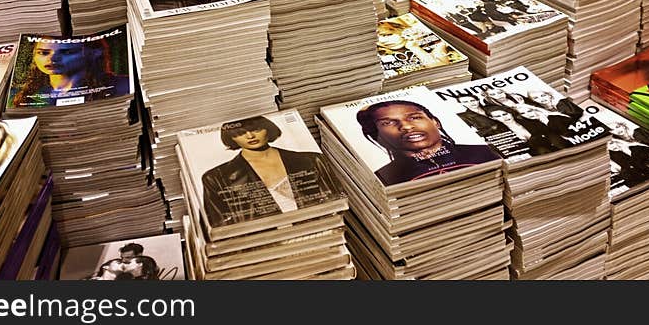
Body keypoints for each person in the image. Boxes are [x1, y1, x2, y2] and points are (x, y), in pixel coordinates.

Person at [200, 115, 339, 227]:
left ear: (268, 129)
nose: (250, 136)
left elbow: (336, 203)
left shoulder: (313, 160)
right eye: (240, 133)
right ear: (231, 138)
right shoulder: (216, 177)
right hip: (262, 248)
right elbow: (219, 225)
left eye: (256, 129)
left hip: (321, 232)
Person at [357, 100, 498, 185]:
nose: (406, 126)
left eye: (414, 117)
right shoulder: (383, 177)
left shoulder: (485, 152)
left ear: (435, 122)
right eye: (387, 122)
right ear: (375, 135)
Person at [11, 38, 128, 106]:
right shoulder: (19, 97)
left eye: (66, 52)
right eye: (43, 53)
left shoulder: (123, 85)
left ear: (93, 53)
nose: (52, 59)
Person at [90, 242, 160, 280]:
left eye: (128, 257)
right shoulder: (114, 262)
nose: (123, 260)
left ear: (139, 255)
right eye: (122, 257)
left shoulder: (146, 263)